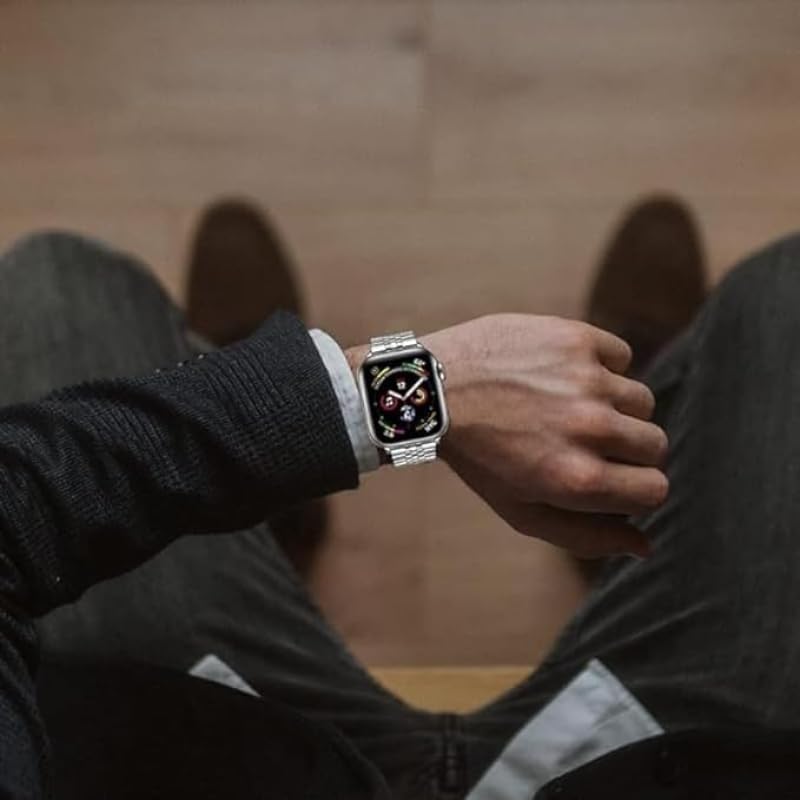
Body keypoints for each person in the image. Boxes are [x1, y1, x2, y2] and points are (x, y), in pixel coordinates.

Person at [0, 198, 799, 800]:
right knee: (784, 294)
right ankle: (615, 461)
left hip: (227, 744)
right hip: (660, 759)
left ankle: (270, 487)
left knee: (58, 286)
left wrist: (387, 398)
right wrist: (399, 391)